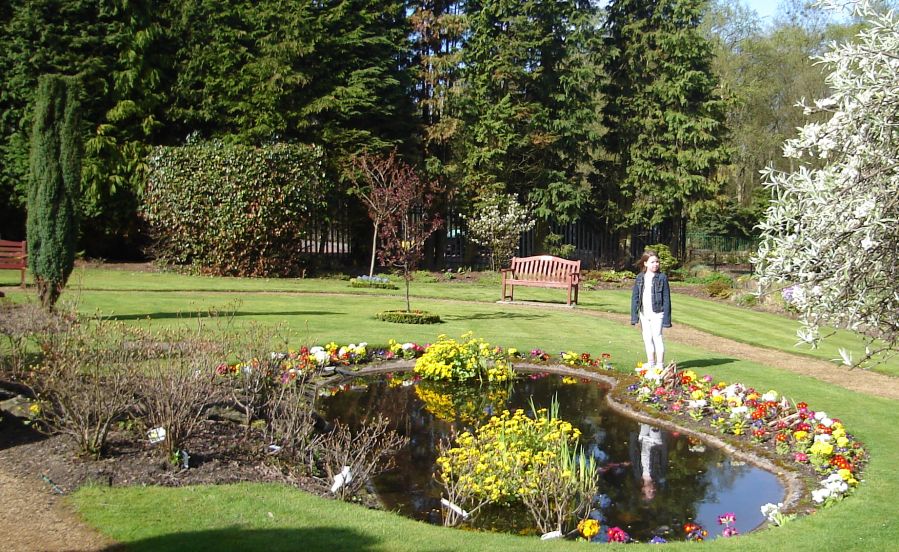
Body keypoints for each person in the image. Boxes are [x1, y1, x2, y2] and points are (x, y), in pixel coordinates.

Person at [630, 250, 671, 369]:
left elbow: (666, 298)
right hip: (644, 313)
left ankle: (660, 364)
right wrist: (634, 316)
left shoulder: (662, 278)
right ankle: (651, 362)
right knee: (647, 337)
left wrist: (666, 320)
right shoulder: (640, 278)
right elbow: (635, 297)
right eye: (652, 262)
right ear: (645, 263)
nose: (656, 264)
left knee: (657, 336)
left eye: (657, 262)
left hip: (658, 312)